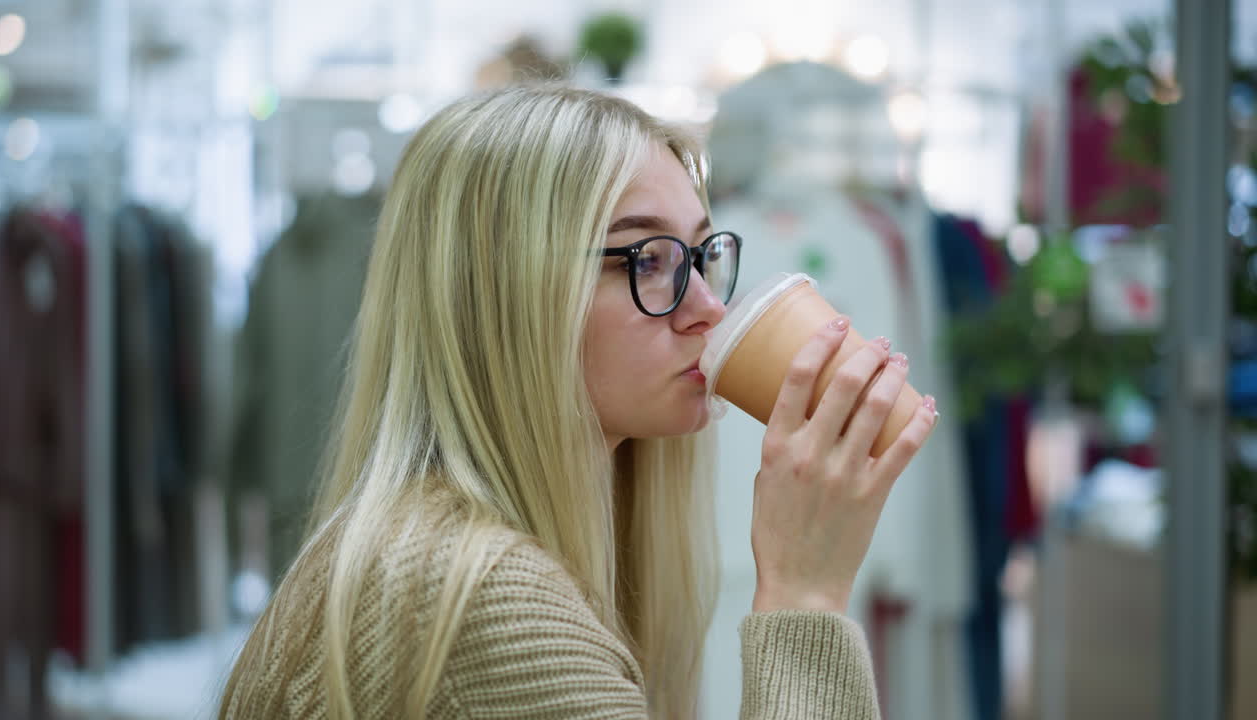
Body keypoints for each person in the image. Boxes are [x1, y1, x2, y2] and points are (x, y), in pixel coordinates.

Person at [217, 85, 937, 719]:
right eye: (647, 260)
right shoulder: (487, 599)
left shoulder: (457, 550)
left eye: (698, 256)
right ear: (505, 296)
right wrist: (805, 593)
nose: (709, 309)